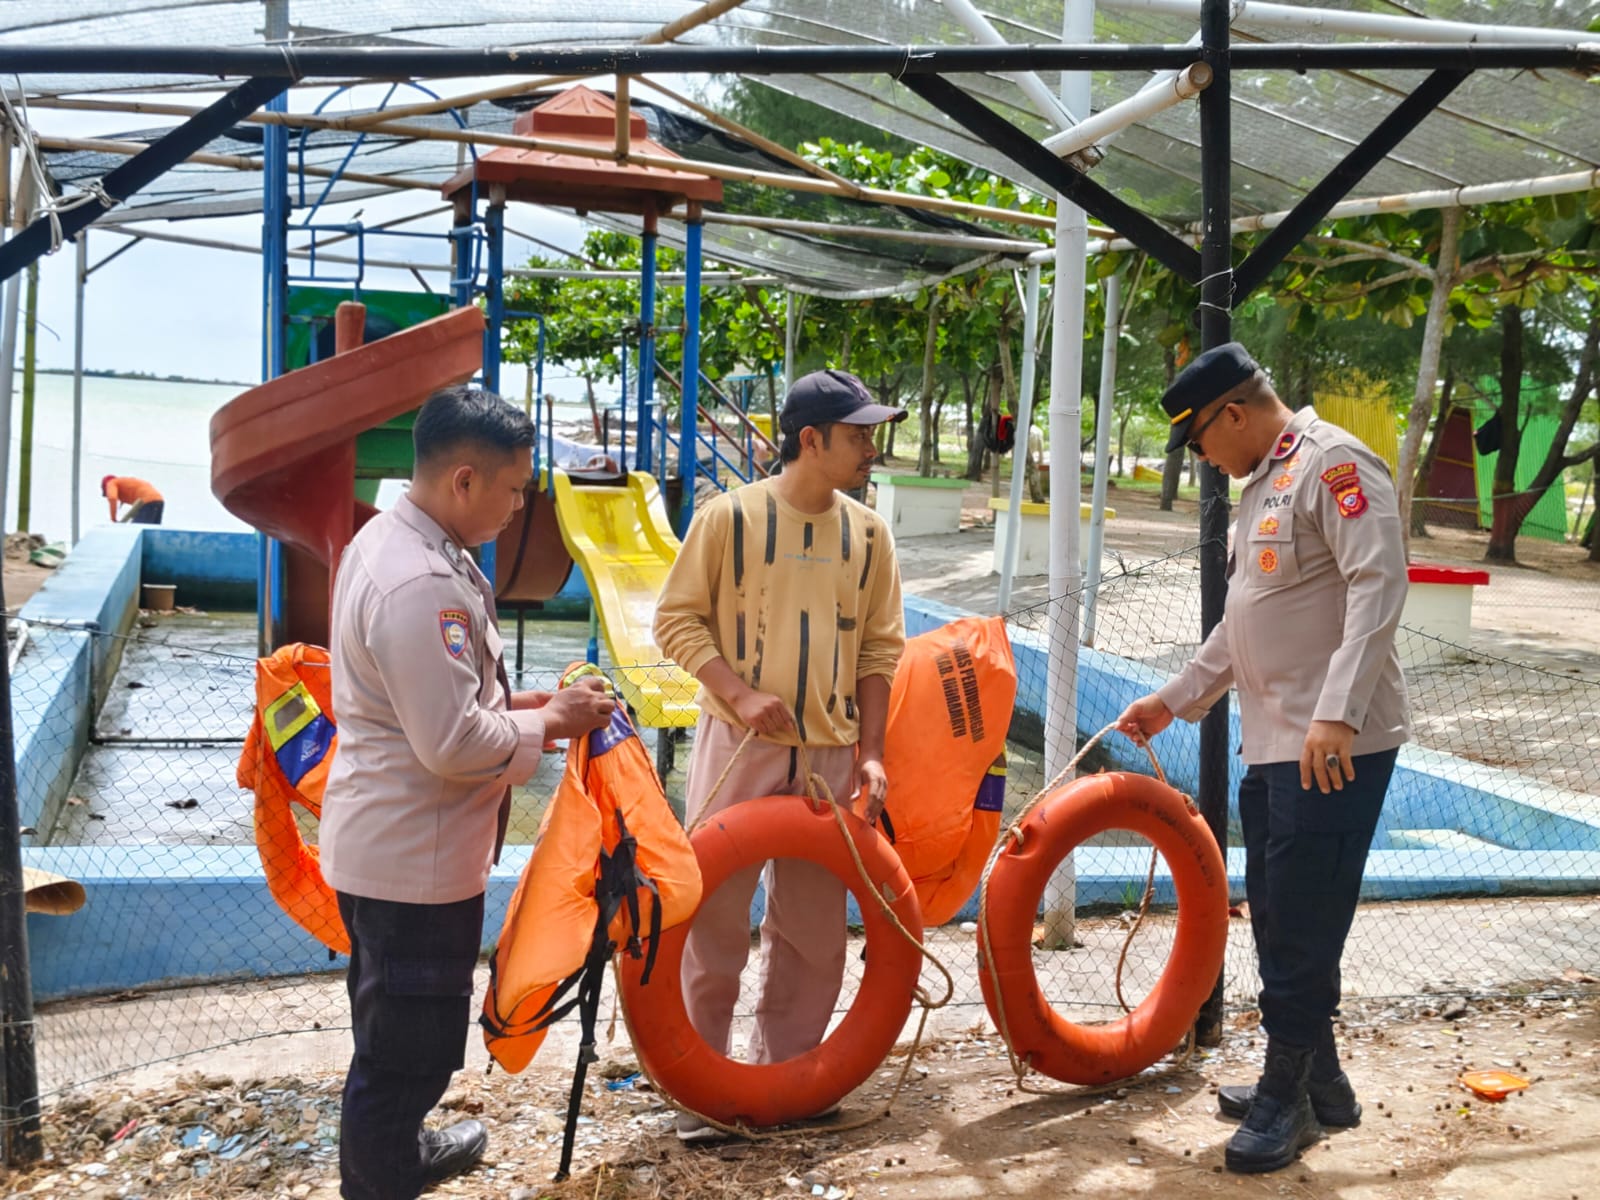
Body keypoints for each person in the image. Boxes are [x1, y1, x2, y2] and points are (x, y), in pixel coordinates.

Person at [1115, 343, 1410, 1175]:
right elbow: (1241, 625)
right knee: (1282, 914)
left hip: (1333, 746)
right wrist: (1173, 699)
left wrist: (1337, 714)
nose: (1202, 458)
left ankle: (1289, 1095)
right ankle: (1321, 1084)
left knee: (1302, 925)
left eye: (1202, 440)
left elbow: (1379, 587)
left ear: (1233, 414)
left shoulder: (1335, 466)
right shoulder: (1263, 487)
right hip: (1276, 741)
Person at [320, 385, 616, 1200]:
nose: (520, 506)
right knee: (403, 1057)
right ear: (462, 479)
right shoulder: (420, 582)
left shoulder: (401, 544)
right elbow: (451, 742)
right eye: (515, 488)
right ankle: (381, 1181)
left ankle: (397, 1159)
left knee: (398, 1036)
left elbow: (444, 703)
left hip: (403, 848)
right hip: (412, 863)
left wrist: (538, 712)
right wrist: (548, 721)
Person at [654, 368, 907, 1142]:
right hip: (741, 747)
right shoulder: (727, 520)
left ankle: (787, 1077)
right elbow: (675, 620)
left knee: (813, 928)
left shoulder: (870, 535)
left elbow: (879, 651)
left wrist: (871, 754)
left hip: (830, 756)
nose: (871, 448)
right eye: (859, 434)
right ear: (810, 440)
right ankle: (704, 1084)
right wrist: (736, 691)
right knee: (713, 920)